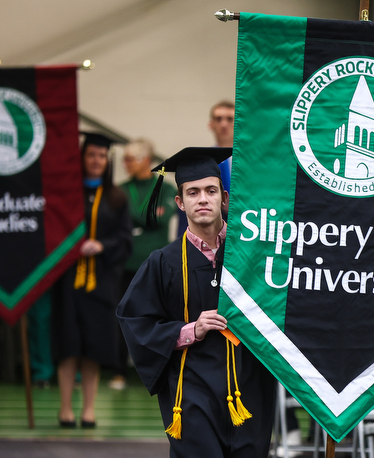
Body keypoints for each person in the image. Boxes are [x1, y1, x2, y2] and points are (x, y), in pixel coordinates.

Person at [117, 147, 276, 457]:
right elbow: (135, 321)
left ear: (224, 198)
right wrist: (190, 329)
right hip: (190, 388)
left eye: (210, 190)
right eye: (193, 192)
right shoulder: (162, 263)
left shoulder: (253, 257)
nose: (202, 198)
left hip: (249, 386)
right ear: (180, 202)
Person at [54, 132, 132, 428]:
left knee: (94, 346)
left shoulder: (117, 198)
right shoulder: (67, 195)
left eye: (102, 156)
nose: (97, 160)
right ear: (82, 157)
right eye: (91, 155)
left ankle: (88, 409)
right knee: (68, 344)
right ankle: (65, 409)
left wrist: (102, 246)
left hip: (101, 282)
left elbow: (125, 241)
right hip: (69, 282)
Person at [109, 138, 178, 390]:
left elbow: (160, 217)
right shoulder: (119, 189)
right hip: (125, 265)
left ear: (147, 161)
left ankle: (160, 370)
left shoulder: (167, 188)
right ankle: (119, 372)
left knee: (159, 319)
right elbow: (146, 217)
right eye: (124, 159)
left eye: (131, 159)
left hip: (157, 265)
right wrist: (146, 218)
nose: (126, 164)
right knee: (122, 317)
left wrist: (134, 218)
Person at [177, 101, 235, 236]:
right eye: (218, 119)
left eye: (230, 119)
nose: (224, 124)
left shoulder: (249, 163)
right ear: (211, 124)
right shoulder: (199, 164)